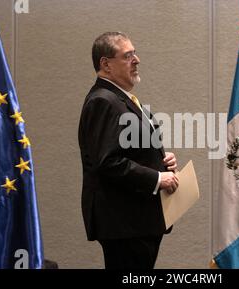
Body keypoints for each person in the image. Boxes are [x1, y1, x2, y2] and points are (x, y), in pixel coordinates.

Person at [78, 32, 179, 269]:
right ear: (105, 64)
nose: (137, 60)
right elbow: (107, 162)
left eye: (135, 53)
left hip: (136, 220)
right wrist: (156, 177)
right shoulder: (103, 101)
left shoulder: (122, 99)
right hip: (124, 222)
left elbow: (130, 152)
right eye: (128, 55)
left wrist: (162, 162)